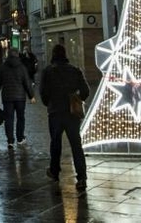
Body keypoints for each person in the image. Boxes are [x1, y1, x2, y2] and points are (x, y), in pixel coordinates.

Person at [39, 43, 90, 191]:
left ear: (53, 55)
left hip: (55, 112)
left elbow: (43, 93)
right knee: (76, 144)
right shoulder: (74, 70)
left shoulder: (48, 72)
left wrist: (49, 103)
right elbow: (85, 90)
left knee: (55, 143)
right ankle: (81, 177)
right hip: (71, 112)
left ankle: (55, 172)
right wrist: (76, 99)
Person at [0, 48, 35, 148]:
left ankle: (10, 140)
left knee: (9, 119)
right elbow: (26, 82)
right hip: (20, 97)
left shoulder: (3, 67)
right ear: (17, 55)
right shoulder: (21, 67)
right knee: (20, 118)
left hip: (7, 97)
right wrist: (31, 96)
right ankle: (20, 138)